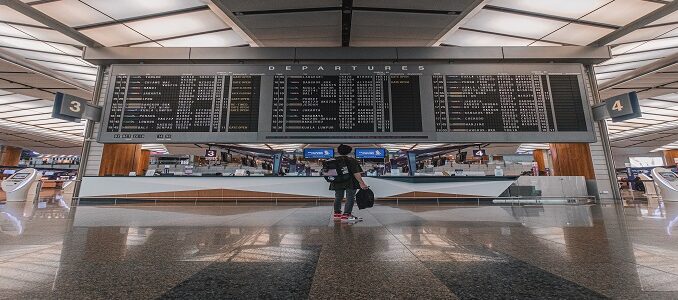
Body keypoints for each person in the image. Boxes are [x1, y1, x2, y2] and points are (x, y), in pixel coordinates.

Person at [330, 144, 368, 222]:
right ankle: (346, 215)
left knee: (338, 197)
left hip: (337, 181)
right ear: (349, 152)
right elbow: (356, 173)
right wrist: (362, 183)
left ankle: (337, 214)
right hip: (350, 181)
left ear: (338, 151)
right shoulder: (352, 160)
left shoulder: (332, 160)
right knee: (350, 197)